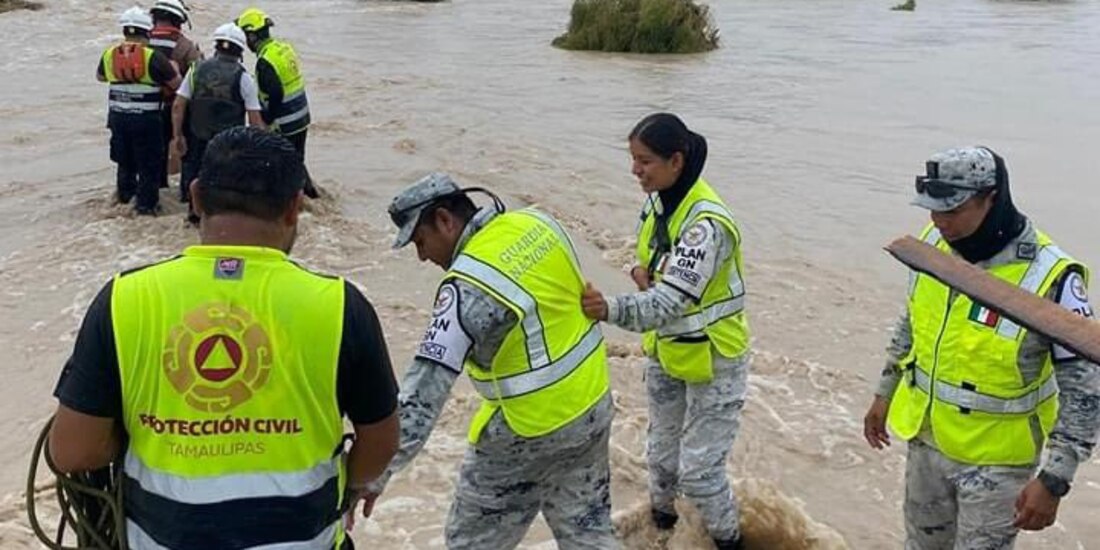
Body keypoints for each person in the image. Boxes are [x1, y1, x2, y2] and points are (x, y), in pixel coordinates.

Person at [48, 127, 399, 549]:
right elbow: (380, 443)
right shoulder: (341, 306)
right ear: (294, 207)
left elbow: (72, 451)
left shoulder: (124, 298)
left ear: (195, 197)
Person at [862, 146, 1100, 549]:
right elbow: (913, 320)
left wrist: (1055, 478)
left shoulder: (1050, 276)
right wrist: (885, 390)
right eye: (932, 211)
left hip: (997, 463)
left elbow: (1086, 388)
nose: (939, 222)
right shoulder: (932, 245)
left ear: (992, 197)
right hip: (927, 439)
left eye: (952, 212)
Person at [367, 173, 617, 549]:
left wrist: (373, 474)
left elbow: (423, 395)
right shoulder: (538, 222)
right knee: (588, 533)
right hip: (591, 408)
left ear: (444, 220)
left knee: (471, 543)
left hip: (528, 430)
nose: (422, 256)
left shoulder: (468, 284)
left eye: (420, 241)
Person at [582, 113, 749, 550]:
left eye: (645, 161)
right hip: (669, 350)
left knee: (700, 472)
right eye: (633, 159)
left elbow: (667, 303)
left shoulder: (705, 224)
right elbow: (655, 266)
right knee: (660, 459)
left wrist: (607, 309)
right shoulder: (658, 199)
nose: (635, 170)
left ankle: (732, 542)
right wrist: (643, 272)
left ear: (676, 160)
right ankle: (661, 532)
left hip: (715, 357)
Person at [172, 23, 265, 224]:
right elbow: (255, 120)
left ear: (216, 46)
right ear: (240, 50)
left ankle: (193, 217)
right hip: (228, 144)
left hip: (196, 137)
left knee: (194, 181)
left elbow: (178, 106)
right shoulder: (244, 78)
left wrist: (177, 136)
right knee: (225, 187)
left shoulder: (195, 69)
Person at [97, 7, 181, 215]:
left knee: (124, 162)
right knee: (149, 165)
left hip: (117, 118)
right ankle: (146, 208)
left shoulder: (109, 54)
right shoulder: (154, 57)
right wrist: (175, 69)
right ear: (148, 31)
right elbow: (176, 84)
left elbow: (100, 77)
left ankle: (124, 200)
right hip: (146, 120)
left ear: (125, 30)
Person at [236, 8, 319, 198]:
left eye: (245, 36)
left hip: (285, 122)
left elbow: (275, 94)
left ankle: (294, 201)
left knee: (284, 164)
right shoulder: (283, 49)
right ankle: (310, 196)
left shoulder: (264, 62)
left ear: (252, 36)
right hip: (301, 117)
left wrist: (265, 119)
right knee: (297, 159)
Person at [148, 0, 202, 193]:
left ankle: (157, 190)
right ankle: (186, 194)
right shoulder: (185, 46)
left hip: (146, 108)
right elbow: (198, 77)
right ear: (178, 20)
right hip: (175, 107)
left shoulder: (142, 42)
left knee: (153, 153)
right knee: (187, 152)